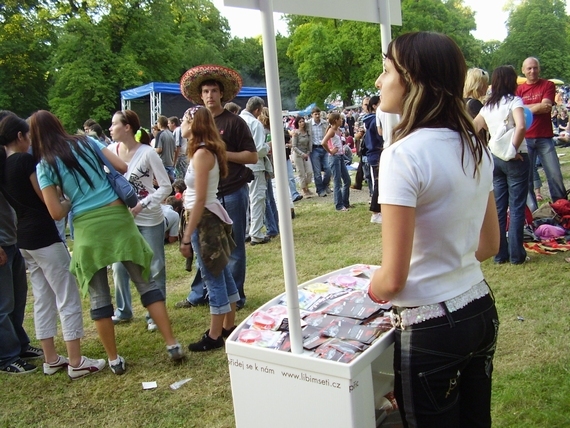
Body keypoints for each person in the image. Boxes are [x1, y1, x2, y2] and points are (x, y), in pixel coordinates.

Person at [369, 32, 500, 427]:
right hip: (478, 307)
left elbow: (392, 280)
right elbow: (489, 244)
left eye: (386, 70)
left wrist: (368, 288)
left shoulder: (402, 154)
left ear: (411, 80)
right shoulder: (473, 145)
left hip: (431, 326)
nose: (379, 81)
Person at [31, 110, 183, 375]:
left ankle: (113, 360)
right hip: (118, 217)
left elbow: (56, 212)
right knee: (146, 284)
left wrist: (69, 198)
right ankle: (171, 343)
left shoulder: (45, 165)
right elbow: (122, 167)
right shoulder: (86, 141)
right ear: (58, 124)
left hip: (88, 229)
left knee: (99, 296)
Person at [0, 113, 106, 379]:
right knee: (67, 295)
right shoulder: (25, 161)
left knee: (43, 298)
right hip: (43, 236)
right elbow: (51, 203)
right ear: (21, 137)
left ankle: (51, 358)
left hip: (24, 238)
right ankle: (76, 361)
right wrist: (68, 201)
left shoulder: (3, 165)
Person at [177, 64, 257, 309]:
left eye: (214, 90)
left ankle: (235, 298)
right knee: (205, 248)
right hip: (205, 197)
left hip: (232, 191)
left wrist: (222, 153)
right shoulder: (196, 125)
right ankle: (200, 294)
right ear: (200, 96)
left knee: (232, 248)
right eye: (205, 91)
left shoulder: (235, 123)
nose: (210, 95)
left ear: (221, 94)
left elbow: (252, 157)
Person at [179, 106, 239, 351]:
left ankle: (215, 335)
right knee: (221, 271)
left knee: (212, 274)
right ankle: (228, 325)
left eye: (184, 120)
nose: (181, 126)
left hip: (205, 219)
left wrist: (185, 236)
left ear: (194, 124)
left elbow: (200, 199)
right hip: (205, 216)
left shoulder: (202, 154)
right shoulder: (202, 152)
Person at [107, 111, 172, 331]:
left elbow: (166, 186)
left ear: (127, 127)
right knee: (118, 265)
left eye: (114, 124)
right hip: (122, 219)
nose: (110, 128)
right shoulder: (110, 152)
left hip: (149, 217)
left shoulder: (147, 153)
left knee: (155, 265)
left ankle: (155, 314)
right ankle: (123, 310)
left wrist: (142, 204)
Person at [0, 112, 43, 374]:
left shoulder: (7, 161)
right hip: (2, 243)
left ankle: (19, 344)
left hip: (12, 239)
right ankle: (6, 356)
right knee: (3, 304)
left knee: (16, 300)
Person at [474, 66, 530, 265]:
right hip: (515, 158)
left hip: (494, 158)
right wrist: (513, 150)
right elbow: (521, 125)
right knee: (516, 207)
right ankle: (516, 255)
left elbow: (474, 126)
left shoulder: (488, 106)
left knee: (499, 207)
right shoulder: (515, 101)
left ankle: (500, 253)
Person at [517, 57, 567, 211]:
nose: (532, 71)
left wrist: (524, 108)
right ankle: (533, 212)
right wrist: (536, 107)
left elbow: (546, 106)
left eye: (535, 68)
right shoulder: (518, 89)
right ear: (523, 70)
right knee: (527, 179)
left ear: (539, 69)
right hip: (525, 138)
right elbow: (516, 111)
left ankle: (562, 208)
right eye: (529, 68)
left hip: (545, 137)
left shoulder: (548, 85)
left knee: (555, 175)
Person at [240, 97, 271, 246]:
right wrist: (268, 147)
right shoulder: (254, 123)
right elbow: (258, 149)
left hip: (239, 165)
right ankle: (256, 234)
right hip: (254, 165)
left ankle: (246, 231)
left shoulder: (237, 120)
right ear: (257, 110)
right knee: (257, 199)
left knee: (244, 200)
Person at [321, 112, 351, 211]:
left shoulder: (338, 130)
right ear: (336, 120)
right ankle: (339, 205)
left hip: (340, 156)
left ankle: (345, 202)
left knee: (347, 180)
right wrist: (330, 151)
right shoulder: (331, 131)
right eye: (340, 119)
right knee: (337, 182)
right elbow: (323, 142)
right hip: (334, 158)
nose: (342, 120)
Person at [365, 95, 384, 224]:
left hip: (376, 153)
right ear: (374, 106)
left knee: (380, 183)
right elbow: (380, 137)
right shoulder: (373, 121)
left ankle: (379, 211)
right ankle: (375, 212)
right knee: (377, 183)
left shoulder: (372, 120)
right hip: (375, 154)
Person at [307, 107, 332, 197]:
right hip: (314, 149)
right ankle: (320, 189)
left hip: (324, 147)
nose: (317, 116)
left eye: (318, 114)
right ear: (312, 115)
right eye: (315, 114)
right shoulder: (308, 124)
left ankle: (325, 185)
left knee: (328, 169)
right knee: (317, 172)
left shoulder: (324, 123)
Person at [291, 116, 314, 197]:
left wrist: (307, 152)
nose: (302, 123)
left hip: (306, 154)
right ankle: (304, 189)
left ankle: (306, 185)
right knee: (301, 173)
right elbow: (294, 146)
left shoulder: (307, 132)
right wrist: (302, 154)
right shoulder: (296, 133)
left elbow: (308, 144)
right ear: (297, 123)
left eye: (303, 121)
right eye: (300, 122)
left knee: (309, 172)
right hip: (298, 155)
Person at [154, 115, 176, 182]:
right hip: (170, 162)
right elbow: (175, 149)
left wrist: (152, 150)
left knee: (163, 183)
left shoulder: (160, 134)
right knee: (171, 184)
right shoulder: (171, 134)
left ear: (160, 123)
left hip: (162, 163)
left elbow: (159, 149)